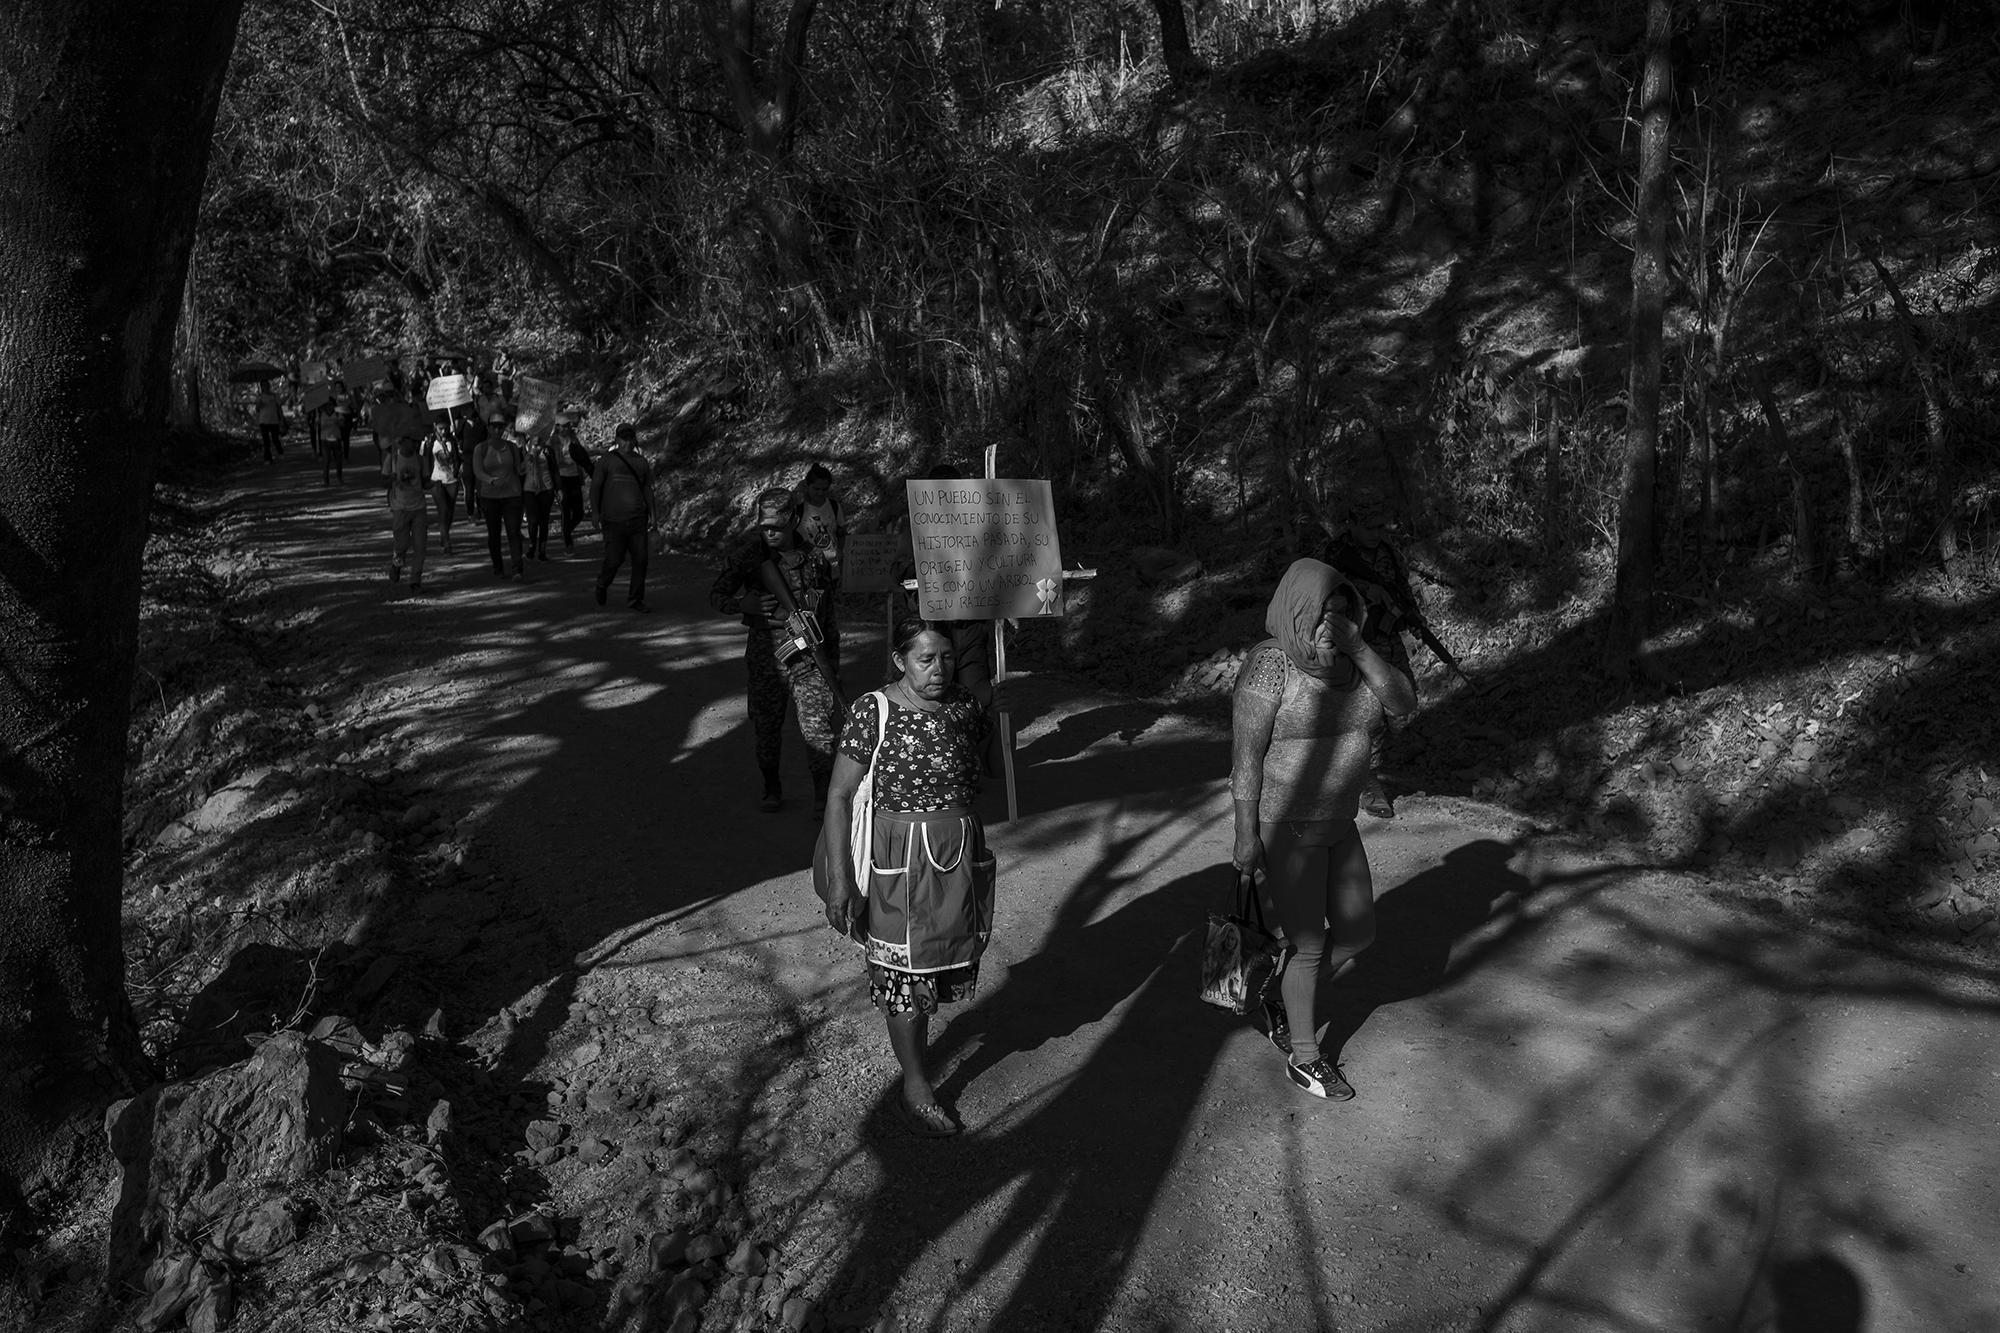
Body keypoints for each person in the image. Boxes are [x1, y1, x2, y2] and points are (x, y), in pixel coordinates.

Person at [1229, 557, 1416, 1101]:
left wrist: (1360, 648)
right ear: (1297, 613)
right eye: (1323, 616)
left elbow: (1403, 704)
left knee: (1359, 933)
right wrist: (1246, 835)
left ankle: (1286, 994)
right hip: (1286, 825)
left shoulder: (1355, 663)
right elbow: (1246, 758)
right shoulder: (1270, 666)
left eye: (1344, 613)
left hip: (1340, 820)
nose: (1333, 626)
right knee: (1309, 944)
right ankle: (1305, 1057)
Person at [816, 617, 997, 1137]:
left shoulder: (965, 705)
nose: (938, 670)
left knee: (939, 968)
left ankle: (920, 1060)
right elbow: (840, 796)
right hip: (898, 855)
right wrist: (841, 881)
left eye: (946, 658)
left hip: (959, 854)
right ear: (899, 660)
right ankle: (916, 1085)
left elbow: (990, 774)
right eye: (925, 659)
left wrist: (997, 721)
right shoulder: (872, 712)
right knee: (901, 977)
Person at [707, 489, 838, 814]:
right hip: (768, 658)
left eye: (776, 528)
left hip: (810, 659)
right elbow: (717, 594)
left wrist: (830, 659)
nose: (769, 534)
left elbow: (829, 611)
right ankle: (771, 786)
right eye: (764, 527)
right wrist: (743, 604)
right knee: (766, 728)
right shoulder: (749, 557)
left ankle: (823, 797)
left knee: (818, 731)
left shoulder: (815, 557)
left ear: (794, 520)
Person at [590, 423, 655, 610]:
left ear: (634, 440)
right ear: (617, 440)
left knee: (641, 559)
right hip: (613, 520)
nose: (627, 442)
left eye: (629, 438)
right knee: (614, 559)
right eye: (623, 439)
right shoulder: (606, 461)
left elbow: (647, 490)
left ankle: (635, 598)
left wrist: (653, 517)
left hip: (637, 519)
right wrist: (595, 512)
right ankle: (602, 583)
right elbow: (595, 487)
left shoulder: (641, 463)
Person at [793, 463, 847, 667]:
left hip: (830, 573)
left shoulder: (833, 506)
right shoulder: (799, 510)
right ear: (807, 486)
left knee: (829, 625)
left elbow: (841, 532)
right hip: (806, 577)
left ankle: (832, 668)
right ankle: (811, 667)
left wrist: (840, 556)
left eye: (825, 489)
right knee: (809, 624)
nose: (820, 493)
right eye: (816, 488)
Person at [473, 411, 526, 580]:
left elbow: (519, 470)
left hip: (512, 495)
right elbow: (478, 471)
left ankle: (517, 568)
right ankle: (498, 567)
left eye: (500, 426)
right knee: (494, 533)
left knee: (514, 531)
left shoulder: (512, 447)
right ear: (488, 428)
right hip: (490, 497)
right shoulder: (480, 449)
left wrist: (530, 457)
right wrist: (490, 480)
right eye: (494, 426)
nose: (497, 430)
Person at [382, 430, 431, 592]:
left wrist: (435, 483)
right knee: (401, 544)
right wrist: (392, 478)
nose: (416, 444)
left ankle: (415, 580)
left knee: (420, 547)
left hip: (419, 508)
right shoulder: (393, 458)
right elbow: (383, 481)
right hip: (400, 509)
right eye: (413, 440)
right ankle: (396, 564)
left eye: (418, 441)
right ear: (403, 441)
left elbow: (425, 483)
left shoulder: (421, 459)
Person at [553, 411, 591, 551]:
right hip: (561, 478)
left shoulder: (574, 438)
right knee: (565, 509)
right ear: (557, 427)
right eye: (561, 426)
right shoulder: (553, 440)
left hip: (574, 477)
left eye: (566, 426)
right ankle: (568, 543)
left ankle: (566, 531)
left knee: (579, 512)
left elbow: (581, 455)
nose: (563, 429)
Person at [521, 428, 559, 561]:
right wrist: (526, 460)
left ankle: (542, 550)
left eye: (539, 436)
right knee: (532, 520)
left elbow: (554, 470)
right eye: (533, 436)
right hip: (530, 489)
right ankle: (532, 546)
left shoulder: (547, 451)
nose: (536, 438)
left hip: (546, 488)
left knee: (544, 520)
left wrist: (558, 488)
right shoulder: (523, 450)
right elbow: (519, 470)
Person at [426, 421, 461, 552]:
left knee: (450, 512)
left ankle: (444, 532)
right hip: (437, 480)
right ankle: (447, 542)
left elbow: (457, 458)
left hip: (451, 480)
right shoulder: (430, 442)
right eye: (441, 429)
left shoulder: (452, 441)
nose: (443, 431)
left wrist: (457, 470)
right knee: (443, 510)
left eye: (446, 428)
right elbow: (426, 459)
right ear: (435, 427)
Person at [255, 384, 285, 462]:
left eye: (267, 385)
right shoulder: (260, 397)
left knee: (275, 438)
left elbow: (279, 408)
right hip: (263, 421)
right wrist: (259, 404)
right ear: (262, 387)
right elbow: (257, 409)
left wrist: (281, 419)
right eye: (264, 386)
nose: (266, 387)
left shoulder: (275, 396)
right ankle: (268, 458)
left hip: (274, 421)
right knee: (266, 441)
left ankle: (280, 452)